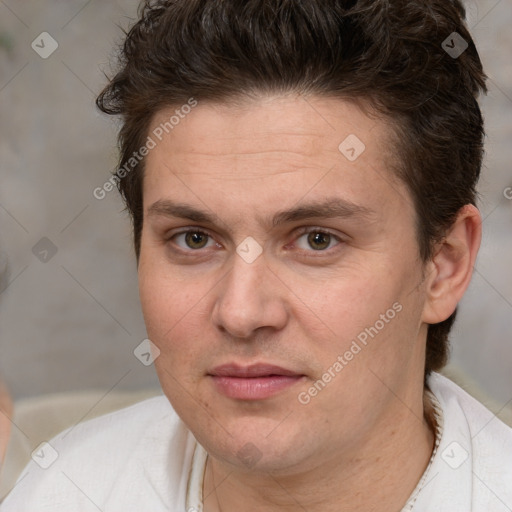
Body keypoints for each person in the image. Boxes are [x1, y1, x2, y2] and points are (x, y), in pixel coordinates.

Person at [2, 0, 511, 510]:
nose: (241, 313)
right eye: (194, 239)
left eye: (317, 239)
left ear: (443, 266)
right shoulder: (61, 491)